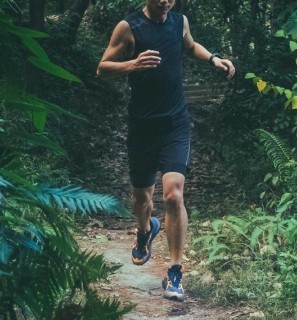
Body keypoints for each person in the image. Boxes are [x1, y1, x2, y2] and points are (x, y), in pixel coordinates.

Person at [96, 0, 235, 302]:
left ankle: (174, 272)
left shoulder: (179, 21)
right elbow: (102, 67)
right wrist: (131, 64)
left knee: (173, 195)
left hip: (175, 123)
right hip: (142, 126)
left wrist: (213, 58)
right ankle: (145, 229)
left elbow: (190, 45)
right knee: (141, 197)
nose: (166, 1)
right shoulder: (129, 27)